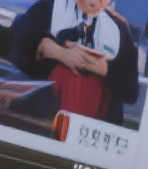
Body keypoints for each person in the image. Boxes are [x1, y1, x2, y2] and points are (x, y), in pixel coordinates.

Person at [9, 0, 140, 128]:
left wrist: (106, 70)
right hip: (43, 122)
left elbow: (131, 93)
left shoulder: (119, 28)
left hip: (91, 128)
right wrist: (54, 51)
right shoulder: (49, 7)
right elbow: (12, 44)